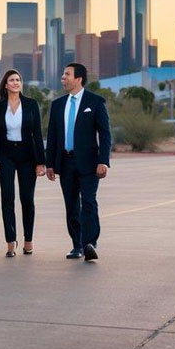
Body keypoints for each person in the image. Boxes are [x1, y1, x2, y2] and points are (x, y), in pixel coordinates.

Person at [46, 63, 111, 262]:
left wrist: (103, 161)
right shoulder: (57, 105)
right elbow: (53, 136)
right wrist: (50, 164)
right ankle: (77, 245)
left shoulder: (96, 102)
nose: (63, 77)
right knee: (71, 205)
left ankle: (90, 243)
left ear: (79, 79)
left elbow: (105, 134)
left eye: (67, 74)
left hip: (90, 164)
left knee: (89, 202)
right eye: (63, 74)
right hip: (65, 163)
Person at [0, 69, 45, 257]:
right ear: (5, 85)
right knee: (7, 198)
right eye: (11, 80)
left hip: (27, 155)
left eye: (18, 80)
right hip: (6, 155)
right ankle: (10, 242)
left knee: (27, 199)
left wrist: (40, 162)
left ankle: (28, 240)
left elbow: (37, 134)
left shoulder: (31, 104)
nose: (15, 82)